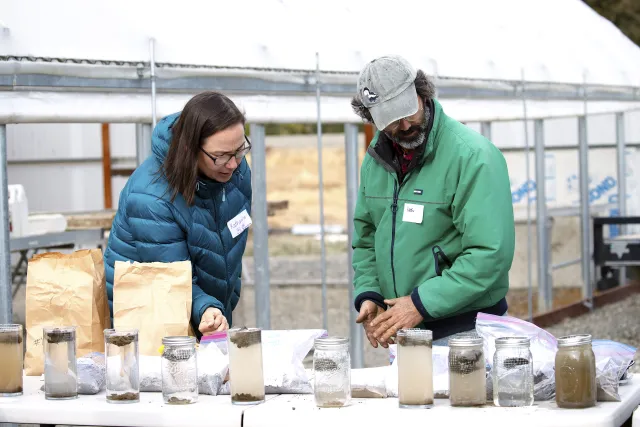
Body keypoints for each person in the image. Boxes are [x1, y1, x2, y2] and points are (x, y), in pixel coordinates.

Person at [350, 55, 515, 347]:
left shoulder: (473, 157)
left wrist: (420, 304)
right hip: (406, 329)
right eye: (389, 119)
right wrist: (371, 294)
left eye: (407, 111)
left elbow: (490, 254)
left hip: (467, 330)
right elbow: (367, 238)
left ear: (422, 93)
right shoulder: (375, 162)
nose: (403, 125)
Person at [103, 91, 252, 338]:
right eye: (221, 156)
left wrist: (219, 303)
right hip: (153, 318)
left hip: (206, 311)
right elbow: (171, 278)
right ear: (191, 149)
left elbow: (232, 234)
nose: (233, 164)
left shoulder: (235, 171)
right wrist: (206, 307)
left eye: (239, 150)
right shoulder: (152, 198)